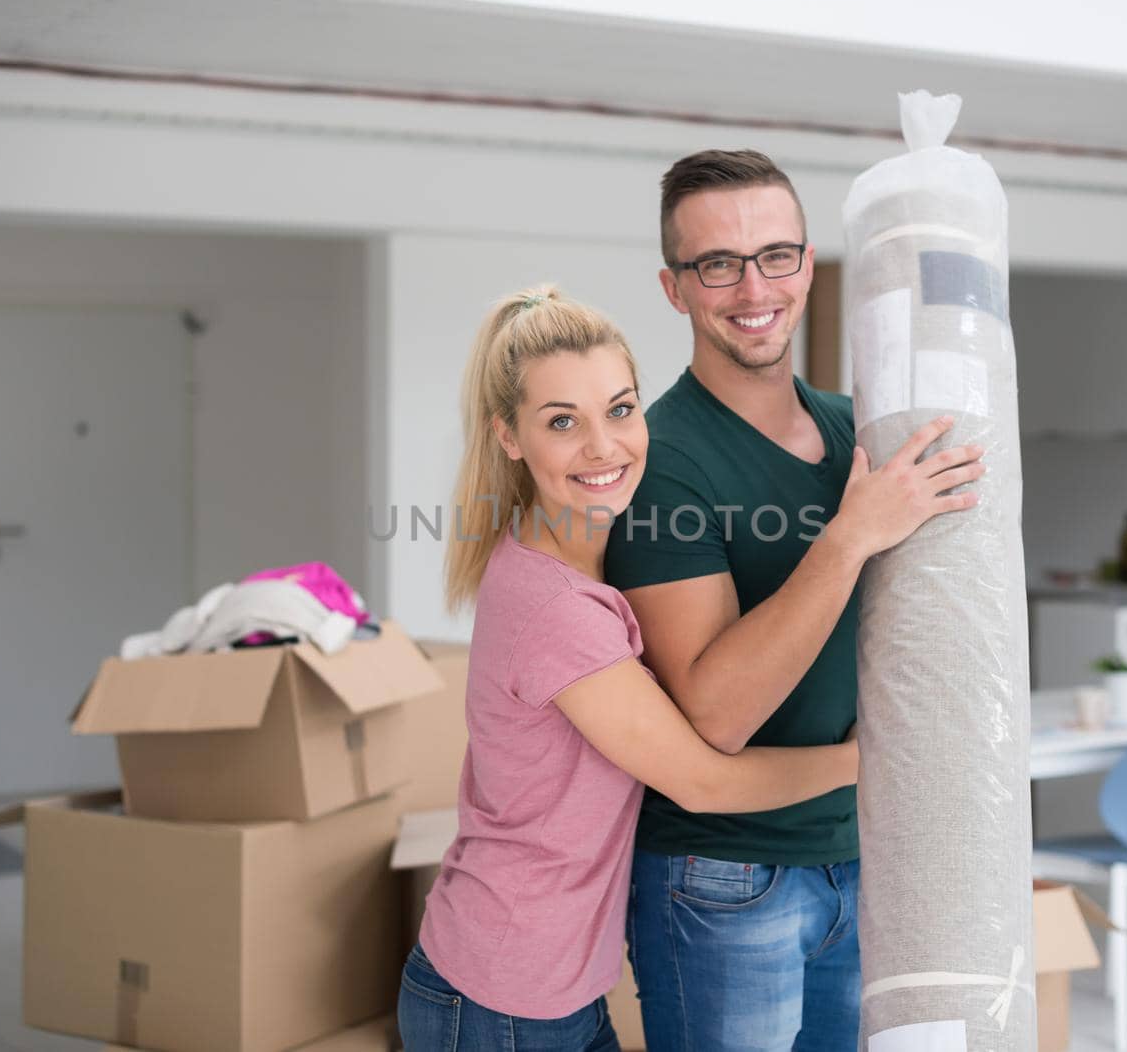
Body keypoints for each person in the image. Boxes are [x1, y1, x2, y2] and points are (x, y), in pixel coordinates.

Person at [397, 285, 862, 1052]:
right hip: (501, 1004)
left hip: (545, 990)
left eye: (620, 409)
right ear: (509, 438)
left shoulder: (581, 557)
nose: (604, 447)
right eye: (561, 423)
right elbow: (704, 780)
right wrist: (858, 764)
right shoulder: (557, 610)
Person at [604, 149, 986, 1050]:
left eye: (776, 255)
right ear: (674, 287)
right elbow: (717, 713)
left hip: (860, 858)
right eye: (717, 265)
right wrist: (850, 534)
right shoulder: (660, 462)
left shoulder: (862, 431)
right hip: (723, 877)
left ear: (809, 265)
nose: (752, 288)